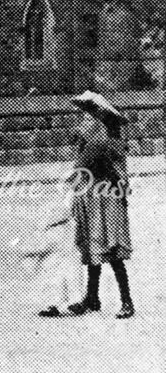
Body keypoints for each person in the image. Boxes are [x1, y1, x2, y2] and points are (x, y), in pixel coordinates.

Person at [68, 91, 134, 319]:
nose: (83, 118)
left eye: (88, 114)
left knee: (112, 249)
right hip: (94, 199)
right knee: (93, 247)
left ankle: (127, 301)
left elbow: (85, 167)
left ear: (99, 117)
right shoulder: (95, 140)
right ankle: (92, 298)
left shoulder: (103, 142)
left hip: (106, 201)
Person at [20, 177, 83, 317]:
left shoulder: (73, 198)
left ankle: (72, 302)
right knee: (58, 269)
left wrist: (47, 224)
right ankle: (61, 302)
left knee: (66, 268)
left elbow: (67, 213)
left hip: (66, 233)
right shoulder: (67, 198)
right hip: (62, 235)